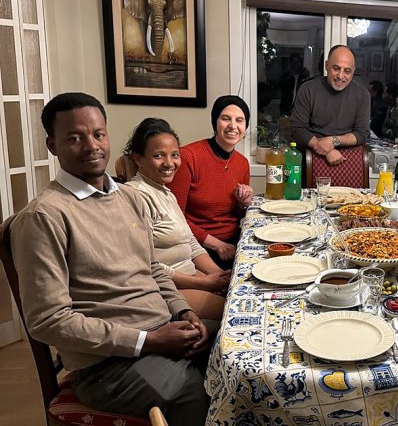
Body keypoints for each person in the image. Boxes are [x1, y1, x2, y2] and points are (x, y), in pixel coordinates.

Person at [9, 92, 215, 425]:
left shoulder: (129, 198)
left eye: (98, 134)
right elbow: (48, 321)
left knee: (230, 348)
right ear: (52, 145)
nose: (91, 146)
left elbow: (152, 269)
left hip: (163, 331)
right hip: (106, 366)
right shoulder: (44, 217)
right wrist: (148, 341)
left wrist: (184, 310)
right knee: (195, 390)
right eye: (74, 138)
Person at [125, 118, 230, 320]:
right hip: (165, 289)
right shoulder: (135, 196)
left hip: (190, 276)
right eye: (158, 156)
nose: (169, 163)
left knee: (237, 292)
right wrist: (205, 283)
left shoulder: (165, 192)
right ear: (138, 159)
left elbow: (190, 242)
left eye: (174, 155)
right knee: (233, 311)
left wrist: (219, 275)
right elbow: (146, 265)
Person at [168, 95, 253, 269]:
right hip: (199, 246)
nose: (233, 126)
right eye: (225, 119)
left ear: (245, 128)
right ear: (215, 123)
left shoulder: (242, 163)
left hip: (235, 241)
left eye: (239, 120)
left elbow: (235, 214)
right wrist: (217, 244)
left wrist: (243, 203)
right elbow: (175, 217)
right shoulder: (189, 157)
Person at [291, 44, 370, 166]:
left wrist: (334, 141)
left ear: (353, 71)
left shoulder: (362, 94)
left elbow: (362, 134)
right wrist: (327, 149)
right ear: (326, 65)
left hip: (349, 162)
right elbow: (297, 129)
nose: (340, 76)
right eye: (336, 68)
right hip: (310, 160)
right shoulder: (308, 89)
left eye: (347, 71)